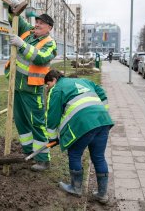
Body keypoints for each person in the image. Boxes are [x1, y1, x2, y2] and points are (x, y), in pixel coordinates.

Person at [44, 69, 114, 204]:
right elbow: (101, 92)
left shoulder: (57, 89)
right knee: (99, 157)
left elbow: (52, 116)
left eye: (47, 84)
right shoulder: (83, 81)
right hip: (103, 120)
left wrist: (52, 138)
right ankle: (102, 194)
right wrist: (102, 111)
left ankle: (76, 188)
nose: (48, 88)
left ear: (53, 80)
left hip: (84, 124)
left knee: (75, 154)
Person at [5, 2, 57, 171]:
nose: (37, 25)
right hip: (17, 86)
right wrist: (12, 10)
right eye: (36, 22)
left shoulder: (50, 43)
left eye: (41, 23)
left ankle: (43, 159)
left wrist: (21, 44)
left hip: (32, 89)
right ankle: (29, 154)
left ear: (48, 28)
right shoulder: (28, 32)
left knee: (37, 123)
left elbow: (41, 58)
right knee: (21, 123)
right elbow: (16, 20)